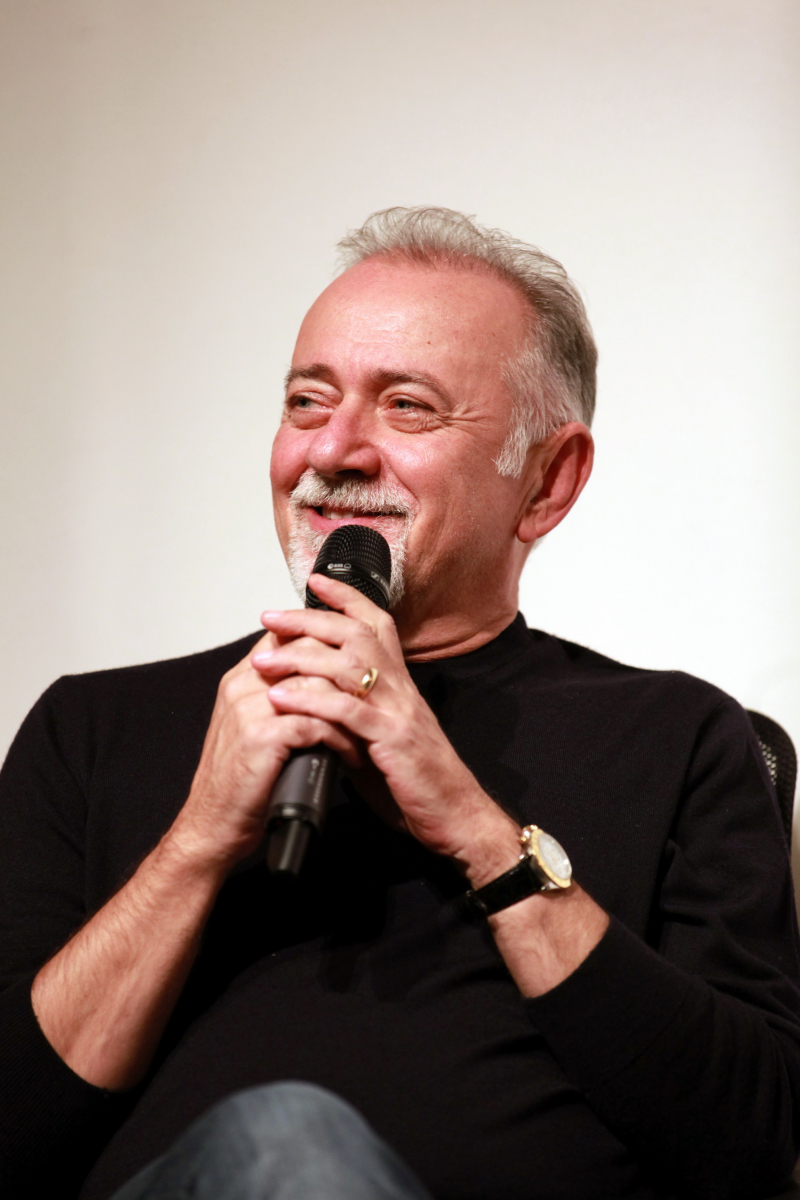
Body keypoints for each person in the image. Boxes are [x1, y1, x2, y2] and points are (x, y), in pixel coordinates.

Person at [1, 207, 799, 1200]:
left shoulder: (678, 739)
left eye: (407, 407)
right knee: (287, 1144)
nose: (334, 450)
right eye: (306, 402)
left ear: (547, 482)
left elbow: (755, 1144)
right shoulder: (92, 729)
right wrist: (199, 840)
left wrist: (476, 831)